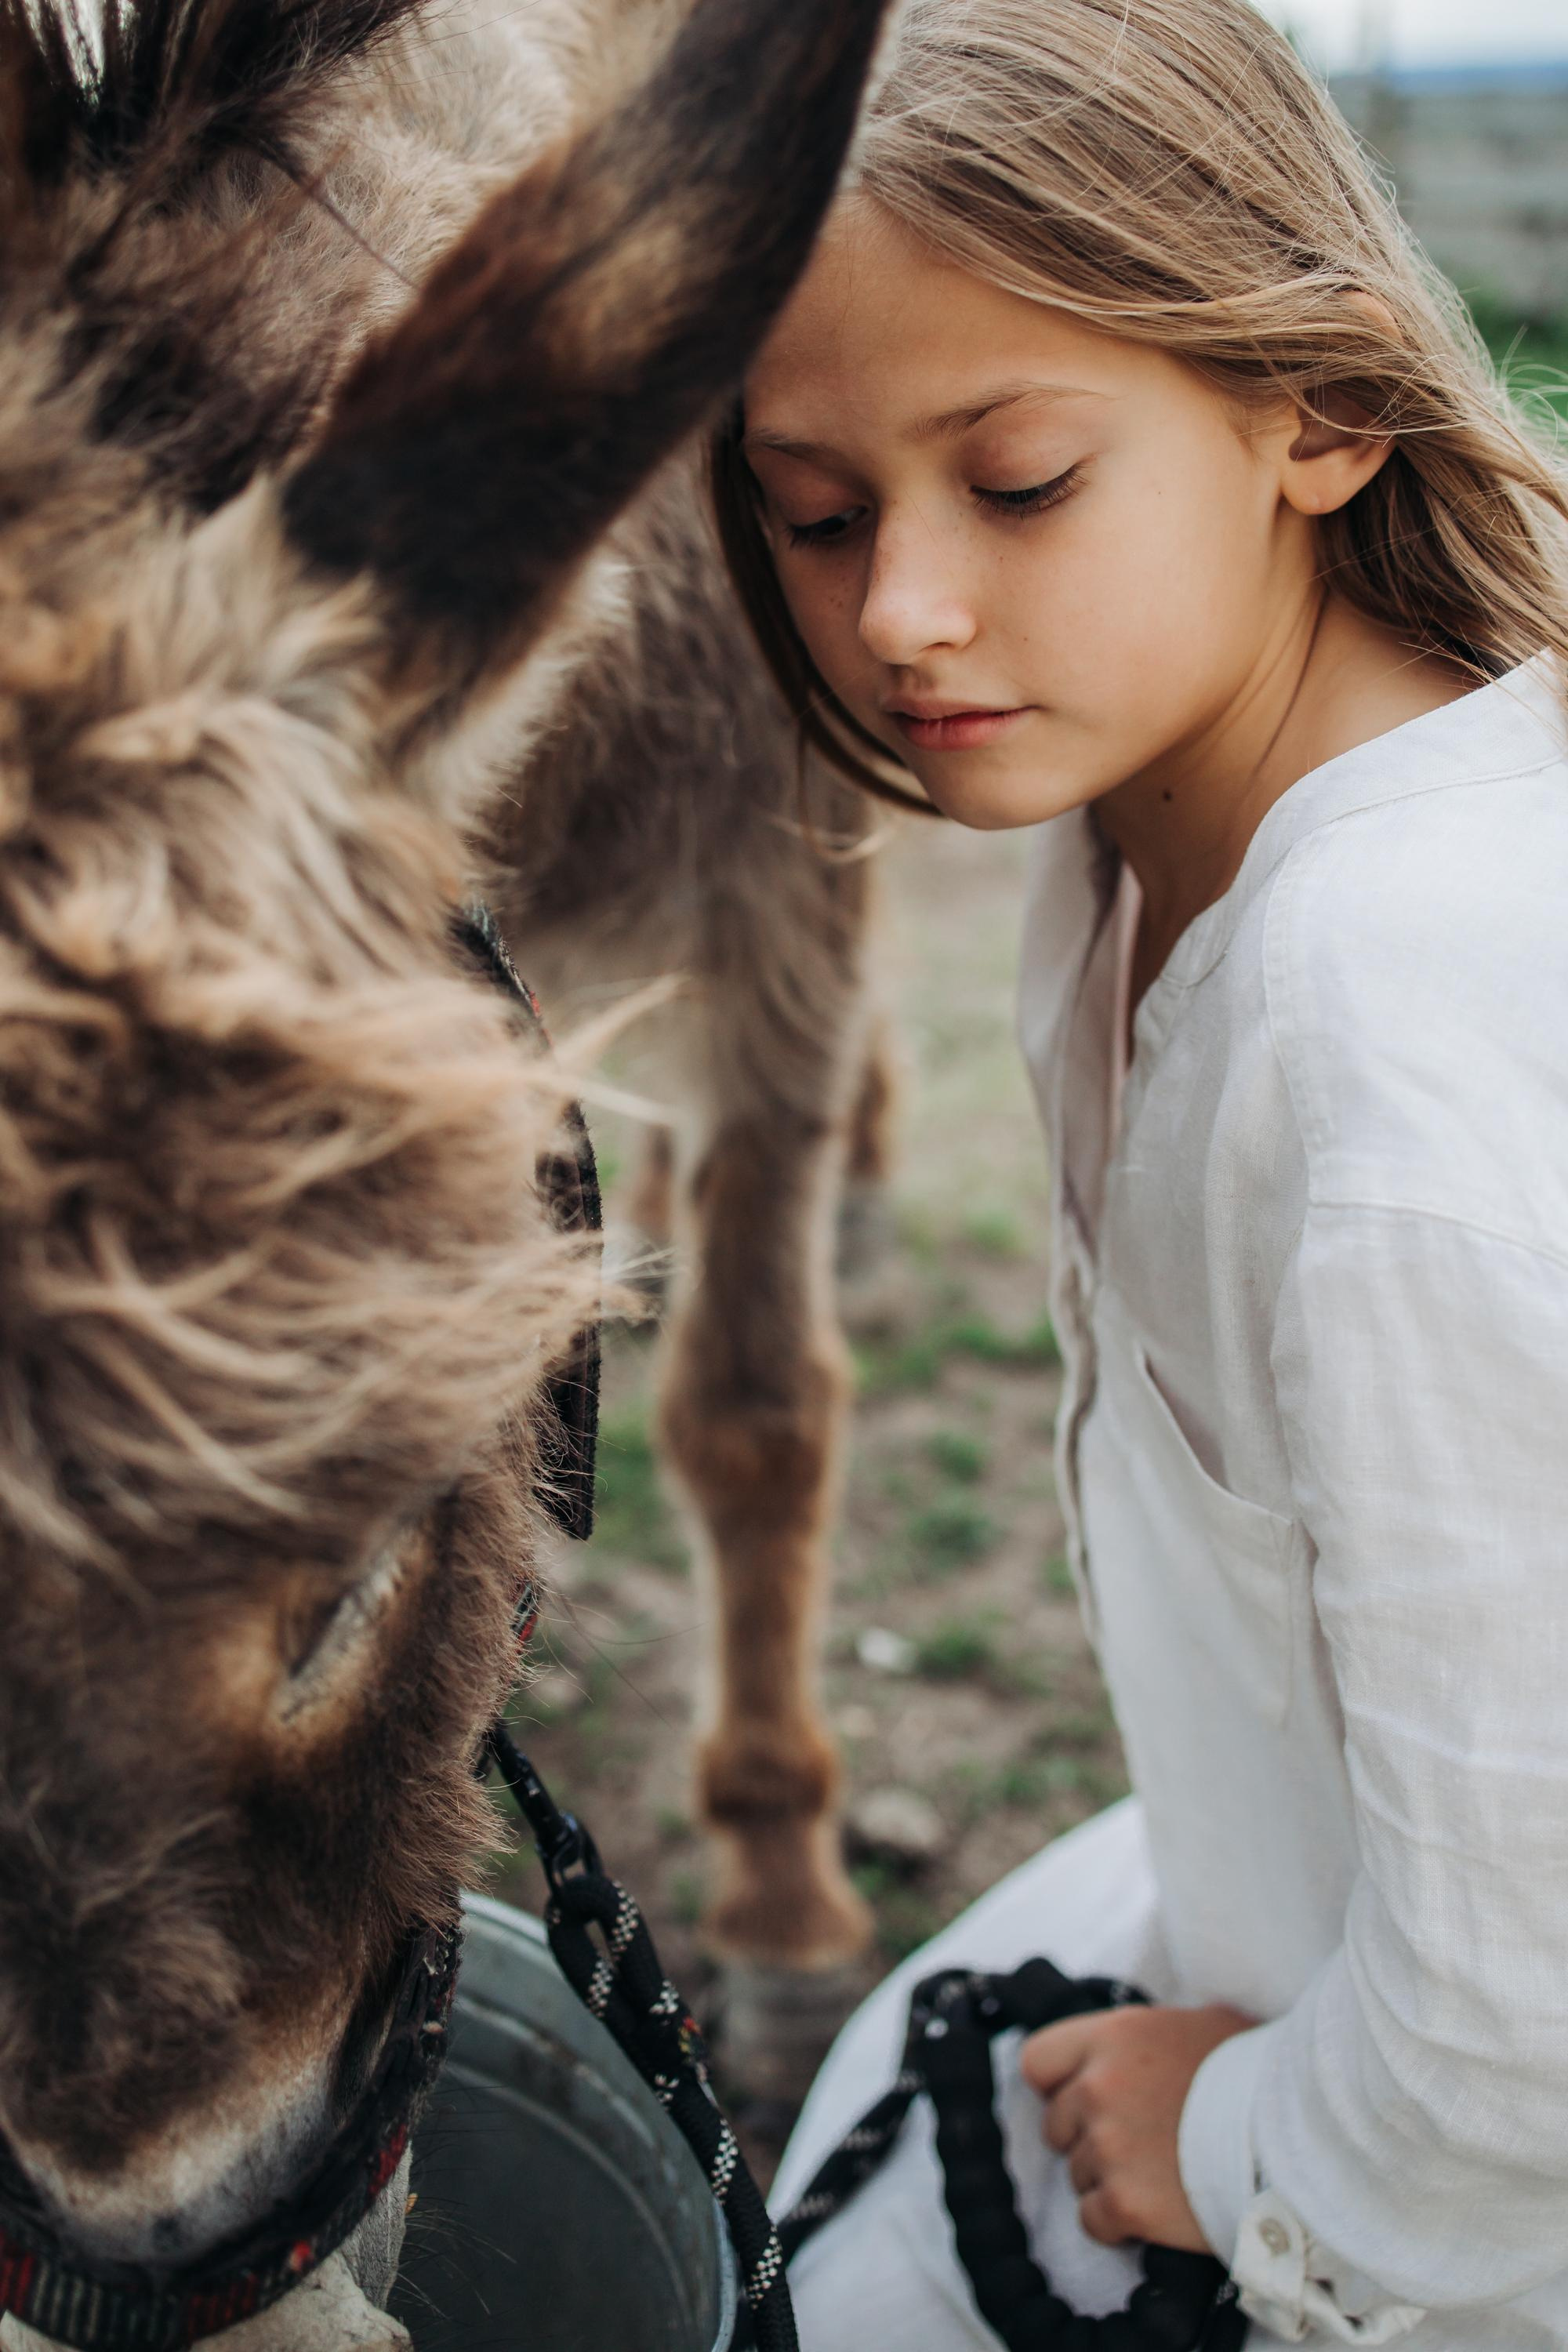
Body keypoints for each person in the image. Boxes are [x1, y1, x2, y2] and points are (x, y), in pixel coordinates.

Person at [709, 2, 1568, 2343]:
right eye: (813, 512)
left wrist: (1231, 2139)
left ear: (1320, 405)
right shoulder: (1130, 866)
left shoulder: (1394, 1053)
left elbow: (1542, 2025)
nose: (896, 612)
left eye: (1018, 481)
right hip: (1264, 1928)